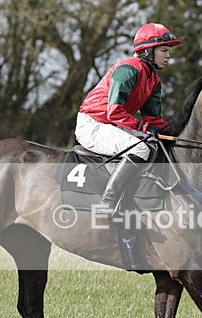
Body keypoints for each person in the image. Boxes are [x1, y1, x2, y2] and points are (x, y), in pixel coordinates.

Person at [76, 23, 181, 215]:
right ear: (148, 51)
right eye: (164, 50)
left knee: (154, 143)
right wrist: (143, 127)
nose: (168, 56)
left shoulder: (153, 80)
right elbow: (114, 112)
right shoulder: (128, 70)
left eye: (168, 51)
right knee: (141, 148)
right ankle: (107, 201)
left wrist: (177, 132)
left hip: (112, 124)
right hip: (92, 124)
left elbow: (154, 120)